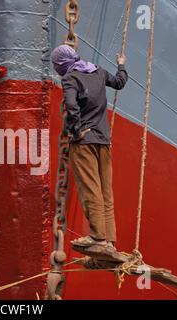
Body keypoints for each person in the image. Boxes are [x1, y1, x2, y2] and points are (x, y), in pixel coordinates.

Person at [51, 45, 128, 249]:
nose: (55, 67)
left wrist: (74, 131)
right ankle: (109, 240)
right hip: (104, 140)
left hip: (84, 141)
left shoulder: (70, 79)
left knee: (90, 189)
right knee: (105, 191)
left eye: (55, 64)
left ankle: (97, 237)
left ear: (61, 64)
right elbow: (119, 83)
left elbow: (71, 106)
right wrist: (121, 65)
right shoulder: (98, 71)